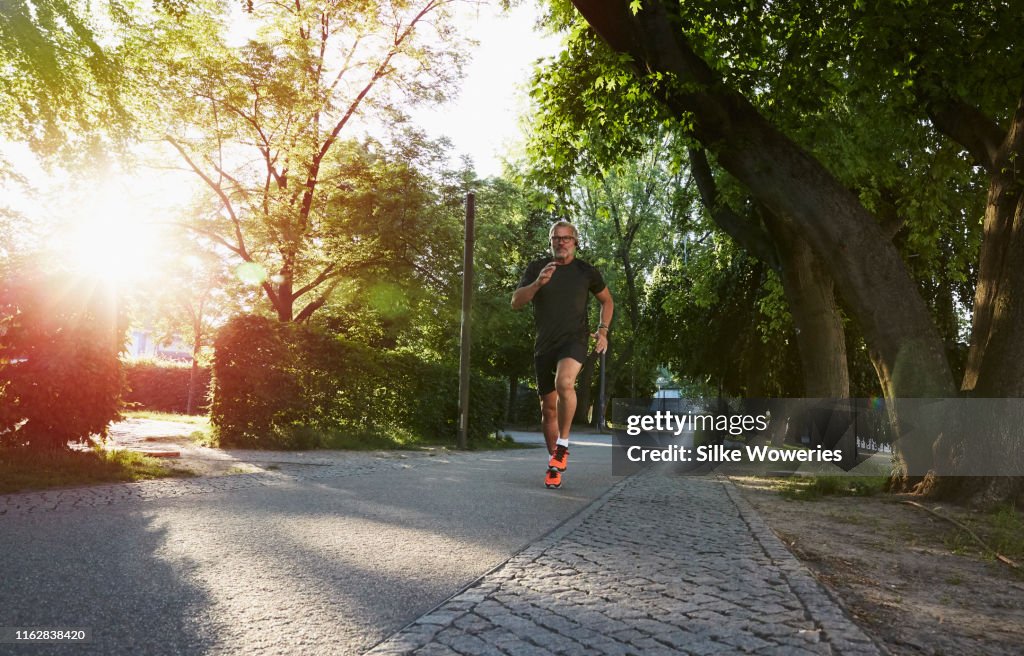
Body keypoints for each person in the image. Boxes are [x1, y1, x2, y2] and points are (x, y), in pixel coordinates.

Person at [511, 220, 613, 488]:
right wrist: (537, 284)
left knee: (564, 383)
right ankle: (554, 464)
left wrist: (602, 331)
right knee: (548, 408)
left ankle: (563, 445)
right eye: (556, 238)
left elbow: (607, 300)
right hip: (544, 344)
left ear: (575, 241)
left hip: (575, 339)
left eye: (566, 238)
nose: (561, 242)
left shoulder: (586, 271)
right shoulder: (538, 268)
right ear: (551, 242)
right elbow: (516, 302)